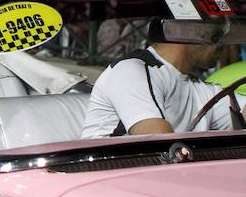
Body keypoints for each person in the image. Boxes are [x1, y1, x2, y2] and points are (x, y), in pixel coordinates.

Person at [81, 21, 246, 138]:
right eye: (215, 36)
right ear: (190, 36)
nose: (223, 45)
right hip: (105, 176)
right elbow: (158, 142)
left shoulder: (197, 87)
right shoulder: (131, 71)